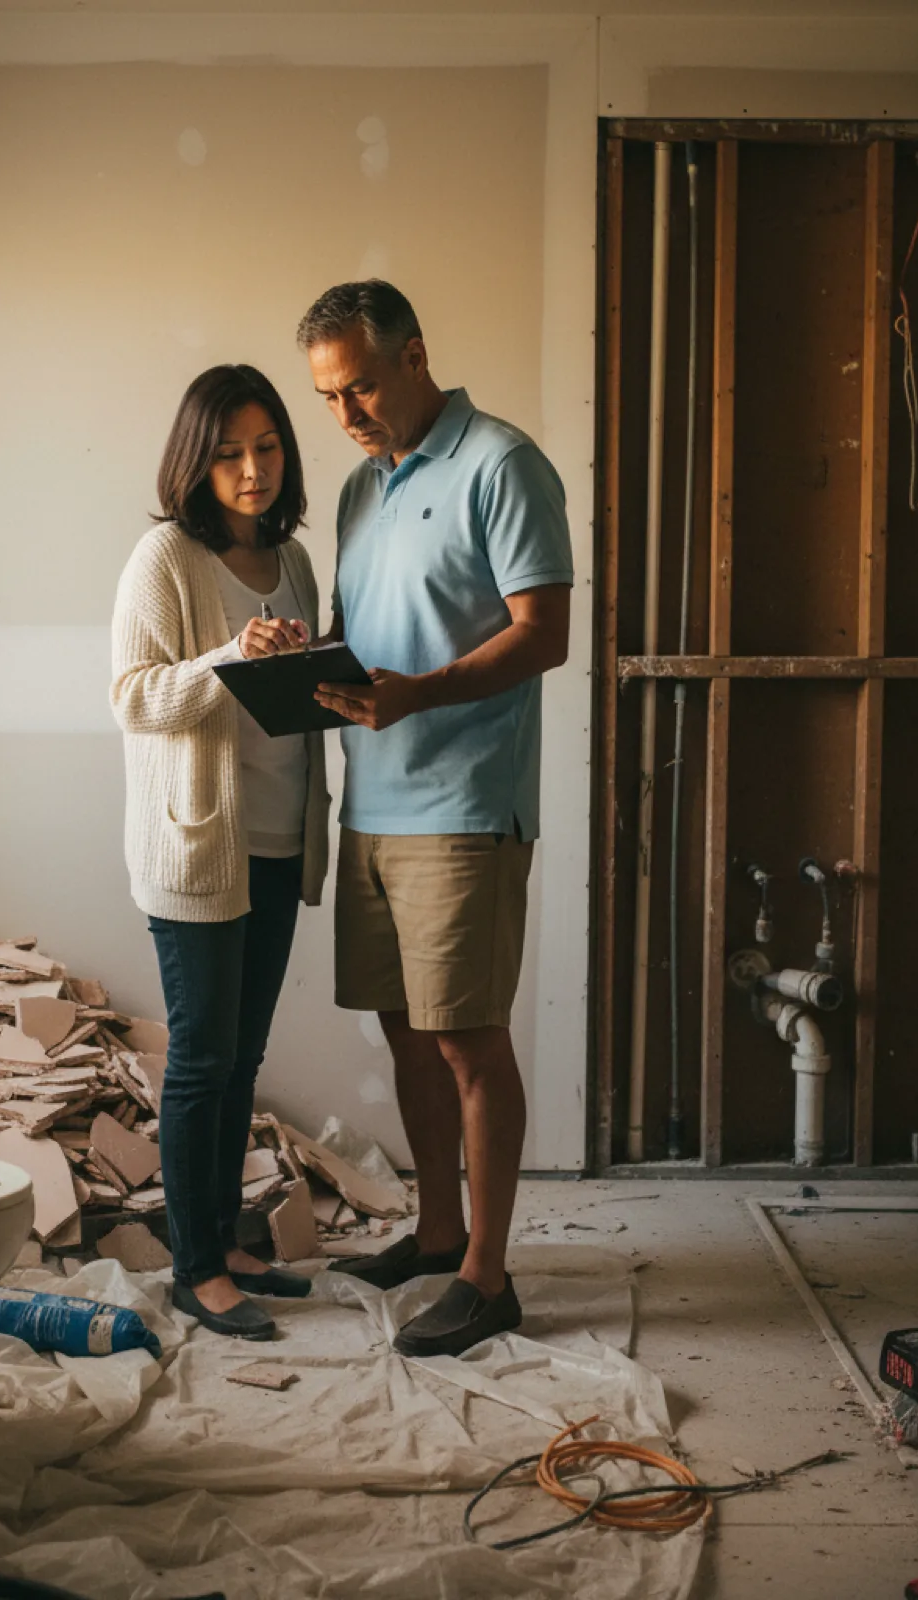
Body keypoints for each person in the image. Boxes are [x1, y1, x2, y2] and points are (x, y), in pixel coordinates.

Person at [298, 280, 573, 1359]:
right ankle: (434, 1232)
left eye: (360, 384)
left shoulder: (501, 463)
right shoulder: (364, 490)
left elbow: (543, 633)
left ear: (415, 355)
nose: (348, 412)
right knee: (405, 1031)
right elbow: (361, 631)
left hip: (462, 805)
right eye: (329, 396)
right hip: (373, 799)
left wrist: (420, 690)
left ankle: (486, 1277)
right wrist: (304, 653)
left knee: (465, 1038)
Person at [110, 364, 330, 1341]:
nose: (252, 469)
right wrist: (232, 657)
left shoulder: (293, 560)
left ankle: (228, 1242)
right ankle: (195, 1268)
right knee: (199, 1059)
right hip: (198, 846)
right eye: (231, 452)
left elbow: (296, 694)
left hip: (279, 838)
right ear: (196, 462)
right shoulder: (162, 558)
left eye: (268, 447)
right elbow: (133, 696)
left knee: (242, 1055)